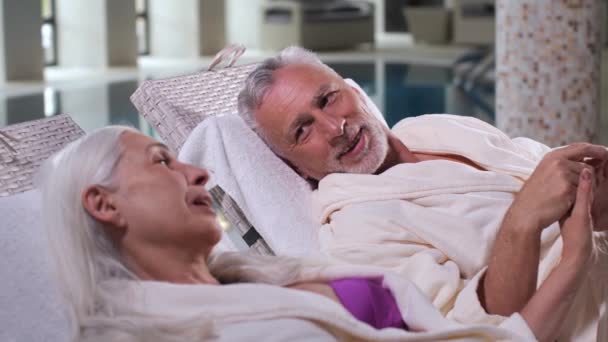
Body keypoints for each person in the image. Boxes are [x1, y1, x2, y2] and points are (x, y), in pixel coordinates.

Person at [38, 125, 595, 341]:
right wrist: (566, 260)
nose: (197, 172)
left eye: (332, 97)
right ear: (103, 205)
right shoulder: (170, 332)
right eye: (162, 160)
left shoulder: (255, 278)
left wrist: (576, 255)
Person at [237, 46, 608, 340]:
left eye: (328, 99)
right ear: (297, 167)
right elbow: (473, 329)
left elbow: (544, 172)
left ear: (354, 90)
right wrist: (523, 221)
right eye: (302, 131)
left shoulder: (431, 127)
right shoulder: (354, 232)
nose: (335, 127)